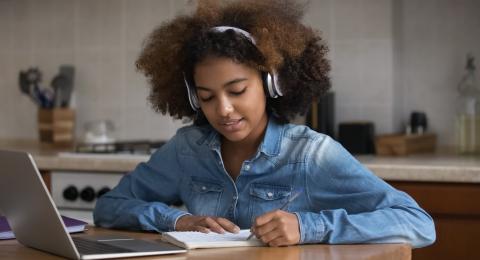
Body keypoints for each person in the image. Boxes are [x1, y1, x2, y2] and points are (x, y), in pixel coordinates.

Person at [94, 0, 435, 248]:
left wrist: (309, 227)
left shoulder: (311, 155)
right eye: (208, 96)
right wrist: (178, 220)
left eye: (237, 90)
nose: (224, 109)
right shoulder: (187, 150)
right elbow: (108, 208)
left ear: (271, 84)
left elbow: (418, 223)